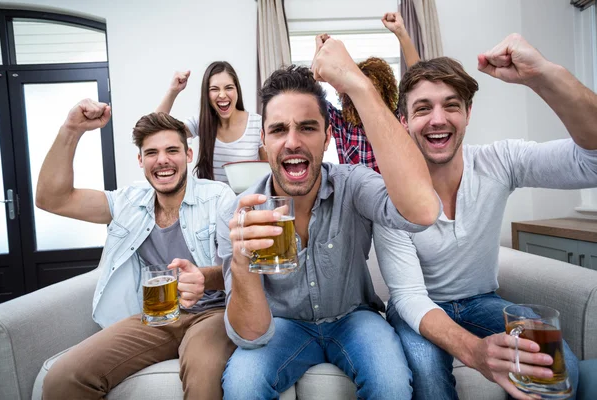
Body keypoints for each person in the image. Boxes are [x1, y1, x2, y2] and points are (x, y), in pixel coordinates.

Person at [216, 34, 441, 399]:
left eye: (307, 127)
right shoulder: (238, 211)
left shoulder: (353, 184)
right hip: (282, 326)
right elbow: (251, 334)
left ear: (327, 136)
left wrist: (356, 83)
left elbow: (422, 211)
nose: (292, 142)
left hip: (354, 318)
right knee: (242, 384)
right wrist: (242, 264)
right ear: (264, 141)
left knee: (391, 383)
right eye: (278, 129)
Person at [374, 33, 597, 399]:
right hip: (419, 310)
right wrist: (475, 352)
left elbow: (591, 162)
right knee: (427, 374)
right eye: (422, 108)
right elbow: (410, 297)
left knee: (557, 367)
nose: (438, 120)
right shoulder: (387, 194)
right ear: (403, 121)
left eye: (451, 105)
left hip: (482, 300)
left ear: (468, 113)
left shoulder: (500, 161)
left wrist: (543, 74)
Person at [36, 100, 236, 399]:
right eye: (152, 153)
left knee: (203, 371)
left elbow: (239, 271)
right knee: (63, 379)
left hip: (212, 314)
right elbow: (52, 198)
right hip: (156, 316)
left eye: (172, 151)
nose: (162, 160)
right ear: (140, 160)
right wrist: (72, 129)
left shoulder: (218, 196)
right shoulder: (128, 202)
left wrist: (203, 278)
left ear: (188, 155)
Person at [325, 11, 421, 173]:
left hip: (395, 198)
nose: (367, 97)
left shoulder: (398, 121)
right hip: (356, 198)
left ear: (384, 92)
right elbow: (310, 98)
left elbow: (418, 81)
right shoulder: (343, 126)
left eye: (373, 90)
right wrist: (322, 53)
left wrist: (401, 33)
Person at [157, 61, 267, 184]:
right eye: (214, 89)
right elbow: (157, 130)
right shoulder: (201, 123)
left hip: (249, 201)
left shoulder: (257, 124)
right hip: (212, 202)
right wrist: (173, 91)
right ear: (207, 94)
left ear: (237, 90)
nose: (222, 95)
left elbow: (269, 175)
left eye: (229, 88)